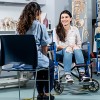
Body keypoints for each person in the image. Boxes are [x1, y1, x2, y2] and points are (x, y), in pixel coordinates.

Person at [16, 2, 54, 100]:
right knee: (49, 65)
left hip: (22, 61)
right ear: (37, 12)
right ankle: (46, 93)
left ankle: (40, 93)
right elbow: (44, 47)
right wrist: (45, 57)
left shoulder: (19, 27)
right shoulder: (40, 26)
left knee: (40, 67)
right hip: (35, 57)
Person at [53, 10, 86, 83]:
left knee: (76, 47)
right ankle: (67, 75)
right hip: (61, 51)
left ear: (70, 19)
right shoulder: (56, 30)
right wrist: (68, 47)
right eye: (62, 17)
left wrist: (74, 47)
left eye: (66, 17)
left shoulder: (75, 29)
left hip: (75, 51)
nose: (64, 19)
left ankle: (82, 73)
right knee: (68, 49)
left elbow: (79, 43)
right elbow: (56, 45)